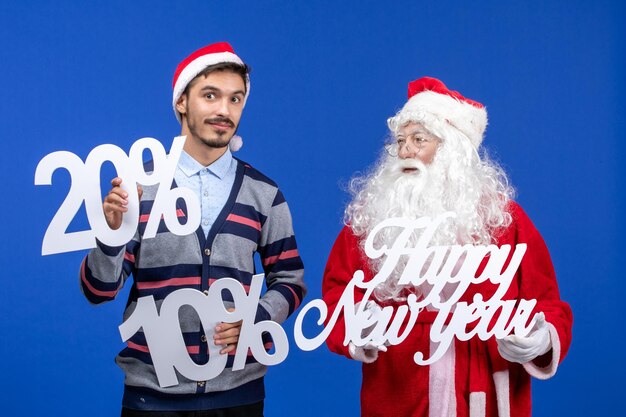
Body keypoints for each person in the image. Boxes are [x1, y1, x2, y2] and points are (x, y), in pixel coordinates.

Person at [322, 77, 572, 417]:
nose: (405, 150)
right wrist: (356, 328)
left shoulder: (503, 219)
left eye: (418, 139)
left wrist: (541, 338)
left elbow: (546, 301)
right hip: (400, 393)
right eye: (399, 141)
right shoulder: (371, 221)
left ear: (451, 149)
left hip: (485, 390)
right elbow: (338, 293)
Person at [80, 42, 305, 416]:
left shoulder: (264, 193)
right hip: (152, 397)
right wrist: (111, 234)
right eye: (210, 95)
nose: (223, 110)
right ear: (182, 101)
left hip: (239, 395)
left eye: (235, 99)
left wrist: (259, 318)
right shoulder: (139, 187)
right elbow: (98, 291)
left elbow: (291, 279)